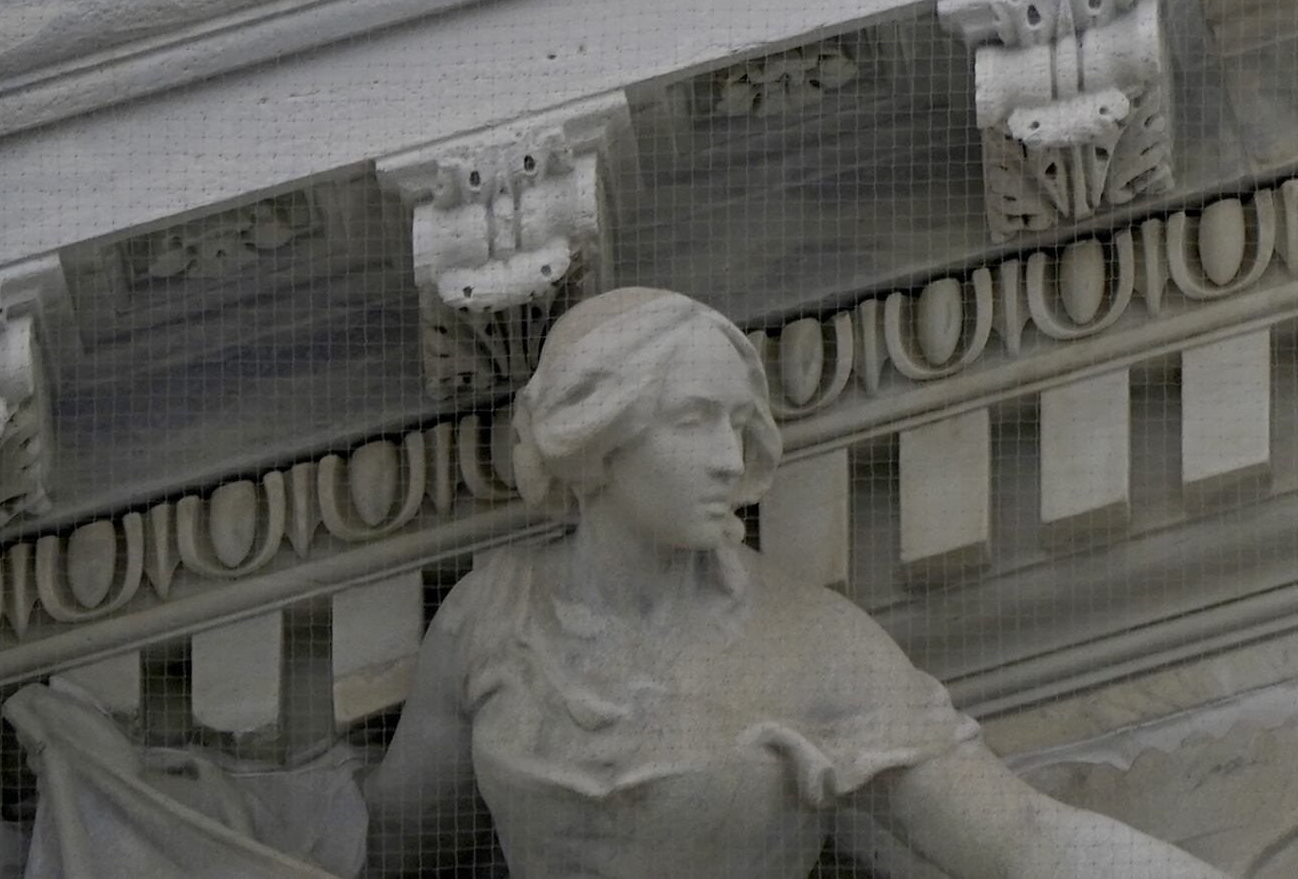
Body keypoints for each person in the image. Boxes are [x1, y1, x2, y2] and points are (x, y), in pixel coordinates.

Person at [357, 288, 1229, 879]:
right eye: (694, 420)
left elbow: (1025, 839)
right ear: (597, 439)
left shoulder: (812, 644)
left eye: (740, 425)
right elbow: (399, 840)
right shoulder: (491, 615)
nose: (730, 459)